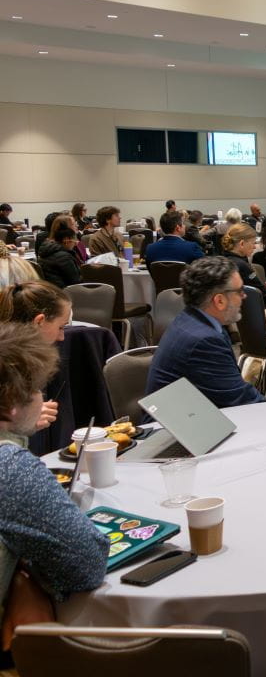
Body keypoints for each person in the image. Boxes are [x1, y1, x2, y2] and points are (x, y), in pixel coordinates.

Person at [0, 322, 107, 665]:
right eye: (37, 390)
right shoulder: (9, 468)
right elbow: (86, 564)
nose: (42, 398)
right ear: (13, 403)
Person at [146, 257, 266, 408]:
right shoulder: (204, 340)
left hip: (193, 416)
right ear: (219, 301)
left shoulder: (192, 320)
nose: (244, 296)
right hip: (181, 427)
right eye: (240, 291)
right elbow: (242, 400)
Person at [0, 280, 72, 433]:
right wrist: (23, 422)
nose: (62, 337)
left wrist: (26, 417)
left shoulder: (13, 357)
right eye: (61, 327)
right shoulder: (9, 364)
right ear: (39, 321)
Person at [221, 224, 266, 332]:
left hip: (229, 317)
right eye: (253, 243)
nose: (255, 246)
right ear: (242, 244)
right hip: (244, 319)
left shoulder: (223, 260)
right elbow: (263, 295)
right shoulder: (241, 265)